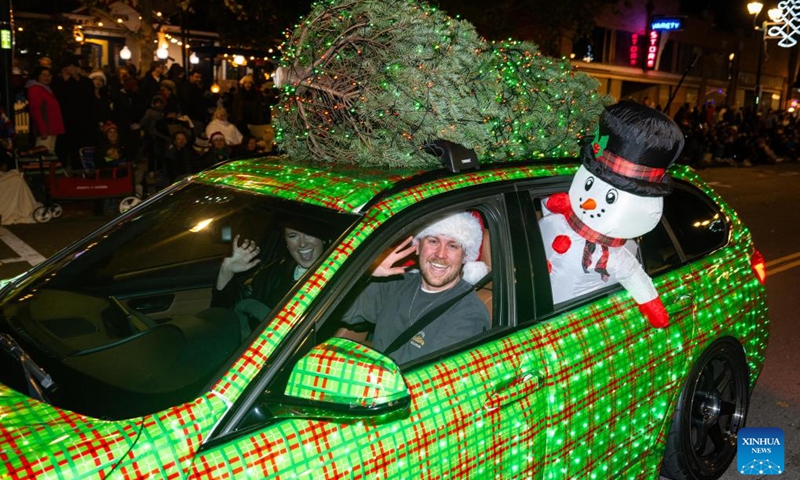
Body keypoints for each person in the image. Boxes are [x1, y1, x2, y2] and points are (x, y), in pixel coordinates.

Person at [337, 211, 490, 364]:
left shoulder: (469, 316)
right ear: (417, 246)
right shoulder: (397, 282)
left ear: (465, 257)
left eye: (452, 246)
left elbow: (430, 380)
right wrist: (363, 273)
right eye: (433, 241)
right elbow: (341, 310)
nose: (441, 254)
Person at [211, 225, 327, 336]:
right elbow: (226, 313)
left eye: (309, 234)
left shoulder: (338, 278)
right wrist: (227, 271)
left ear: (324, 238)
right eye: (293, 236)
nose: (302, 243)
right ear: (286, 242)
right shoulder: (274, 271)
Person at [25, 65, 65, 154]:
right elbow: (36, 111)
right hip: (46, 129)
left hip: (51, 128)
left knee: (49, 154)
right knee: (44, 153)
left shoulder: (46, 89)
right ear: (38, 76)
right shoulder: (35, 89)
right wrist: (42, 130)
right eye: (44, 75)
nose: (47, 78)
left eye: (49, 75)